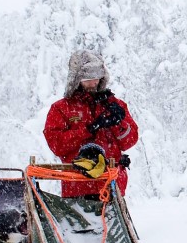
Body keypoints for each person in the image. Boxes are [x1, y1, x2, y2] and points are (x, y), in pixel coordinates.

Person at [43, 50, 139, 197]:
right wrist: (89, 129)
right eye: (88, 78)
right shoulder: (61, 108)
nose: (93, 83)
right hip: (78, 188)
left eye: (97, 78)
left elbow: (129, 141)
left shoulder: (114, 104)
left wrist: (117, 123)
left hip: (111, 187)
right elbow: (57, 144)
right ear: (76, 79)